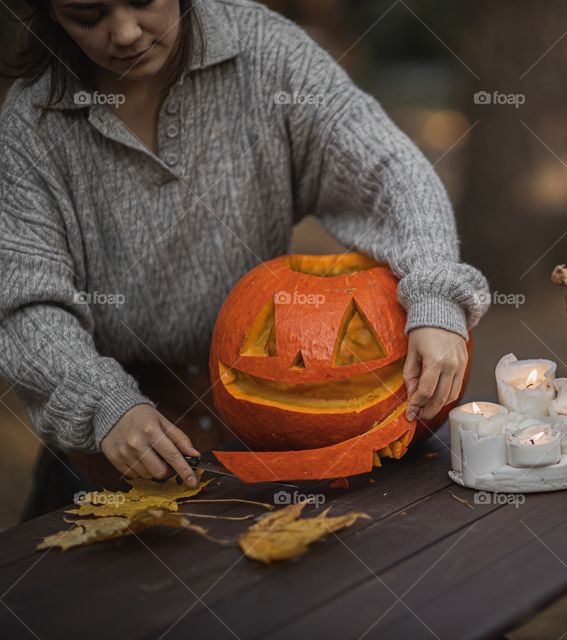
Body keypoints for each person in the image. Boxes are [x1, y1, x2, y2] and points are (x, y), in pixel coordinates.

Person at [0, 0, 489, 511]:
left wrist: (435, 292)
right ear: (50, 12)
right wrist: (103, 404)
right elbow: (27, 303)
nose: (123, 32)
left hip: (270, 436)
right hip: (107, 446)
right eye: (87, 15)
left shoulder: (264, 51)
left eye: (143, 0)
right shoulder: (33, 123)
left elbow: (390, 168)